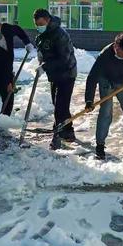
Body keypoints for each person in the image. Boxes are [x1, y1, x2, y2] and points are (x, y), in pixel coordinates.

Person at [85, 33, 123, 160]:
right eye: (122, 54)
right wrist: (89, 100)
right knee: (106, 111)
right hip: (106, 80)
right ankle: (100, 144)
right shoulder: (104, 56)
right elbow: (92, 78)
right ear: (115, 46)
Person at [33, 9, 77, 149]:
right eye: (36, 24)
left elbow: (63, 58)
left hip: (67, 72)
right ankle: (68, 131)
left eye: (41, 23)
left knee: (60, 106)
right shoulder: (43, 34)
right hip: (54, 74)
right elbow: (44, 48)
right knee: (59, 104)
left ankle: (57, 136)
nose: (39, 25)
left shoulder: (60, 34)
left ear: (48, 20)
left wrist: (45, 66)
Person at [0, 14, 34, 124]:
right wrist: (7, 81)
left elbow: (18, 30)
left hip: (6, 69)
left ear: (0, 26)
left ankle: (4, 121)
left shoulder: (7, 29)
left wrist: (26, 42)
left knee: (8, 98)